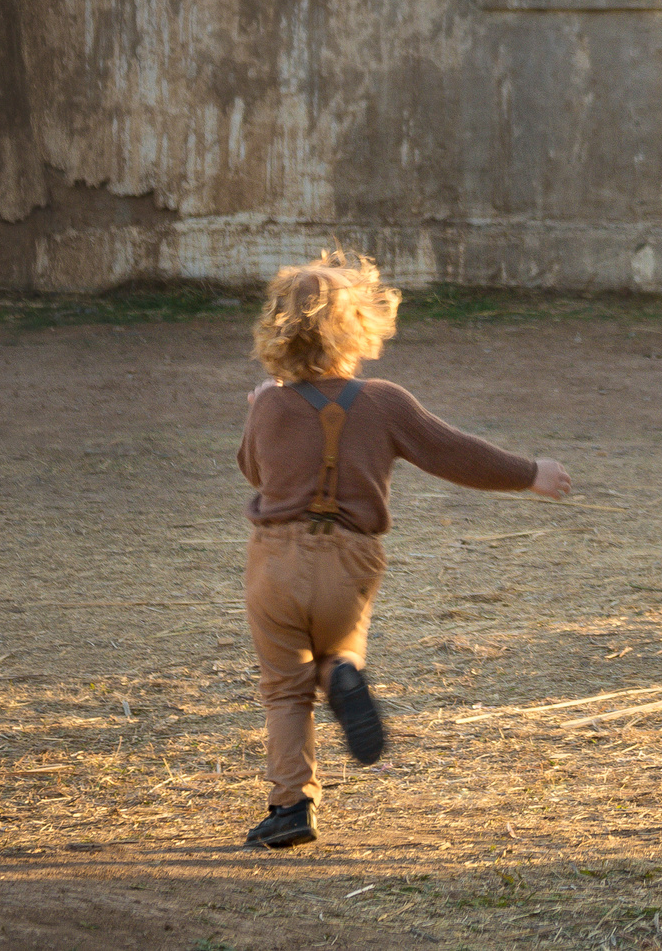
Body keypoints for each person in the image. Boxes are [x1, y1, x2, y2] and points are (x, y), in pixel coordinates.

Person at [235, 251, 571, 850]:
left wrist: (263, 407)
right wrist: (529, 473)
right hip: (351, 559)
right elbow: (453, 452)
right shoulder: (383, 401)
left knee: (285, 689)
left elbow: (254, 472)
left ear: (277, 331)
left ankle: (290, 808)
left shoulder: (269, 404)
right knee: (337, 649)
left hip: (275, 562)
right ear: (360, 328)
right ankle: (343, 672)